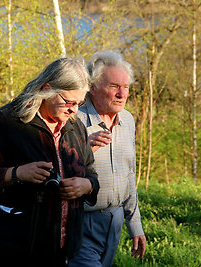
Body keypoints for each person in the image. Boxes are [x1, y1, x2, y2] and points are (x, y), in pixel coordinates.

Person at [0, 57, 100, 267]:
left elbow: (91, 173)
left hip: (64, 244)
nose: (74, 110)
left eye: (79, 103)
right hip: (15, 246)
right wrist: (17, 174)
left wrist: (87, 186)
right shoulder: (7, 121)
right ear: (47, 89)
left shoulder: (76, 127)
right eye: (69, 101)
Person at [69, 51, 146, 267]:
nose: (122, 94)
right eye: (114, 86)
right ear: (92, 88)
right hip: (80, 222)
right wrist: (83, 150)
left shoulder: (128, 120)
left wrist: (135, 226)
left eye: (126, 87)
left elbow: (129, 175)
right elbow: (56, 170)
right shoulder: (73, 120)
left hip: (115, 221)